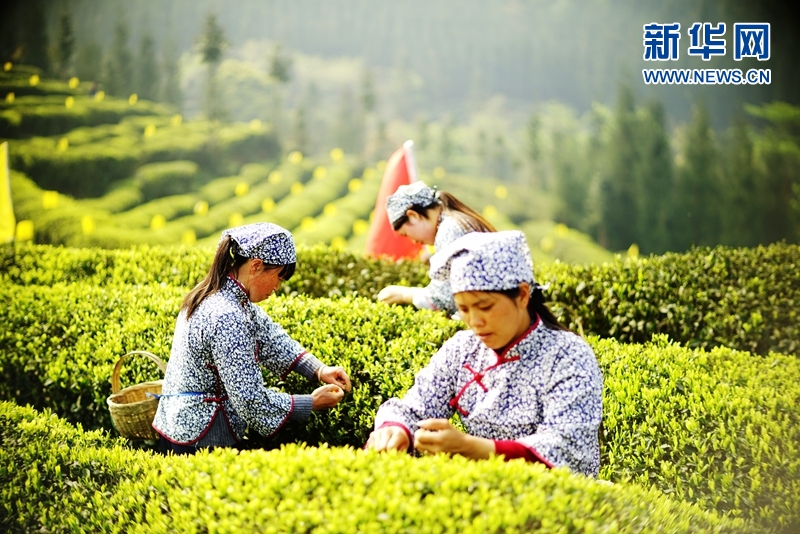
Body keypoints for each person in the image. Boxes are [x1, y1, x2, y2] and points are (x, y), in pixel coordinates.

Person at [367, 231, 603, 477]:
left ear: (522, 295)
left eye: (485, 307)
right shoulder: (462, 349)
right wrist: (396, 428)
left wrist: (471, 448)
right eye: (464, 309)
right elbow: (415, 407)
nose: (474, 321)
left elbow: (566, 448)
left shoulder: (568, 355)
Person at [152, 222, 352, 454]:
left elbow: (271, 339)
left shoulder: (222, 294)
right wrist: (310, 403)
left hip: (180, 426)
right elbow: (249, 399)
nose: (277, 286)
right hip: (201, 437)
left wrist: (319, 370)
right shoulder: (227, 315)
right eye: (278, 276)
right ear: (256, 266)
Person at [376, 181, 495, 316]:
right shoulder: (456, 220)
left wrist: (404, 294)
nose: (414, 241)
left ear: (413, 216)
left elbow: (443, 300)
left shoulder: (449, 230)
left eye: (405, 234)